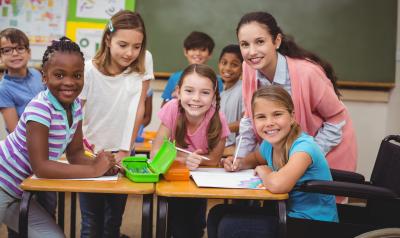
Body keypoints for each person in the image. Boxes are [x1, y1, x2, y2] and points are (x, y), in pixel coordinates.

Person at [0, 36, 117, 238]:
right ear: (44, 77)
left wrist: (101, 165)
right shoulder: (40, 109)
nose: (69, 82)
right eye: (59, 75)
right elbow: (42, 167)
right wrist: (94, 170)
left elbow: (76, 153)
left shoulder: (76, 106)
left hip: (20, 193)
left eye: (77, 75)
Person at [207, 85, 338, 238]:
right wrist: (239, 163)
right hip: (285, 214)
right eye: (261, 117)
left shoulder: (304, 148)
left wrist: (266, 171)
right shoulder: (270, 145)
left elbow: (278, 185)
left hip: (312, 224)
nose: (269, 122)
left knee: (231, 227)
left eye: (277, 114)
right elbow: (256, 158)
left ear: (292, 116)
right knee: (217, 213)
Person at [236, 11, 357, 173]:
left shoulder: (307, 72)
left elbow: (337, 118)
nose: (252, 52)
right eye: (245, 44)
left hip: (327, 158)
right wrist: (239, 159)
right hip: (287, 163)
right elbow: (249, 119)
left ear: (276, 41)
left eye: (259, 42)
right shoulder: (248, 67)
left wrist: (303, 159)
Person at [78, 10, 154, 238]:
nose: (130, 52)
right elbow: (77, 113)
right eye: (123, 44)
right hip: (90, 153)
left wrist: (124, 149)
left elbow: (139, 107)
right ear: (108, 39)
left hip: (122, 152)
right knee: (92, 222)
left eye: (137, 46)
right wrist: (83, 152)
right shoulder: (88, 70)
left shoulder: (144, 61)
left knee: (113, 222)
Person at [151, 64, 230, 238]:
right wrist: (182, 159)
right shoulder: (172, 108)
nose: (196, 98)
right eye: (189, 91)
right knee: (174, 224)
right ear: (178, 92)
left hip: (199, 183)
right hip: (174, 180)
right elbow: (155, 152)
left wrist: (198, 161)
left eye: (205, 92)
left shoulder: (218, 117)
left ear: (214, 95)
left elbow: (215, 160)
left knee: (194, 227)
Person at [0, 27, 55, 238]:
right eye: (7, 50)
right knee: (21, 218)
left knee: (48, 210)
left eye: (19, 48)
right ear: (1, 56)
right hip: (22, 159)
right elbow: (15, 130)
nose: (14, 54)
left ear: (29, 52)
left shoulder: (37, 75)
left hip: (48, 155)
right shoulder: (4, 88)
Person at [161, 31, 224, 106]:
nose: (197, 53)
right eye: (193, 49)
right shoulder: (175, 78)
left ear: (210, 54)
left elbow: (217, 106)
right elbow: (165, 105)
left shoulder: (216, 80)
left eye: (203, 50)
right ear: (185, 51)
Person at [218, 44, 243, 146]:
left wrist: (218, 130)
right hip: (222, 147)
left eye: (234, 65)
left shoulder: (243, 90)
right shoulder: (221, 94)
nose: (227, 68)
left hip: (235, 150)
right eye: (224, 63)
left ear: (243, 67)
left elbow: (248, 123)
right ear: (219, 64)